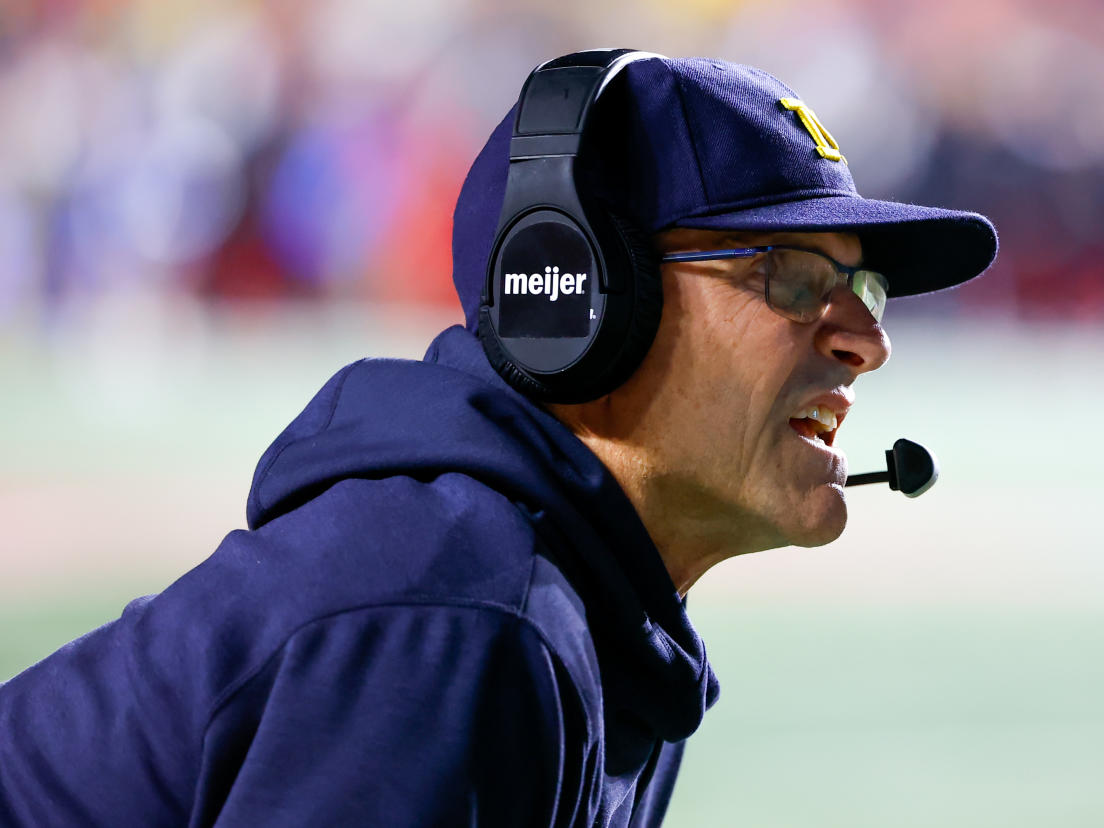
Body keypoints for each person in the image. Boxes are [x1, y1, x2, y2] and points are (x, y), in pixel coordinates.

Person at [0, 51, 996, 826]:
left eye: (862, 290)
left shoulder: (603, 623)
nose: (867, 342)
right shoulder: (458, 616)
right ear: (578, 299)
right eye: (793, 279)